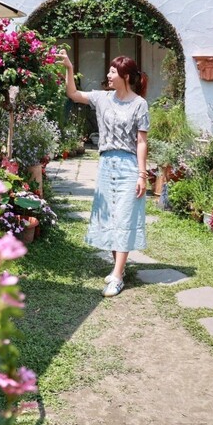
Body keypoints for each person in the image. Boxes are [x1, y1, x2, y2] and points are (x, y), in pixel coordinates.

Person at [57, 50, 149, 297]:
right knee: (110, 218)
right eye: (109, 70)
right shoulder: (102, 98)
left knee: (125, 217)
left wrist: (142, 174)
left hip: (129, 166)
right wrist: (69, 67)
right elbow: (73, 94)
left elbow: (141, 141)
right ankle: (118, 267)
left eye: (112, 71)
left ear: (126, 76)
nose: (108, 75)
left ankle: (118, 275)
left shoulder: (140, 104)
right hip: (107, 165)